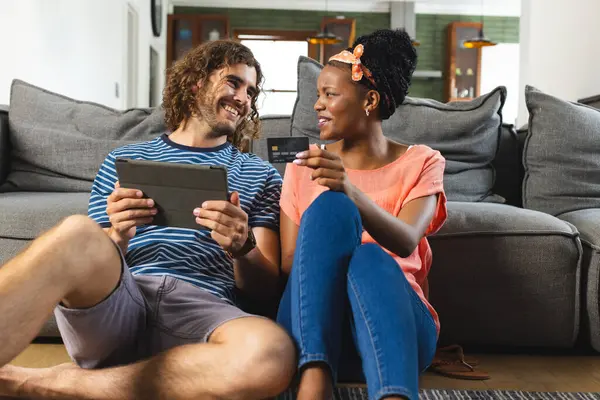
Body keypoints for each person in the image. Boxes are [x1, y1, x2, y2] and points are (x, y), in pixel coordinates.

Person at [0, 40, 295, 400]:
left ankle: (52, 383)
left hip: (205, 312)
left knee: (273, 352)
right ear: (195, 83)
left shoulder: (259, 174)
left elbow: (265, 292)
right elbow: (94, 262)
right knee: (77, 232)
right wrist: (118, 236)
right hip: (123, 300)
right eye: (233, 82)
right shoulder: (124, 160)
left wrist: (242, 246)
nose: (244, 98)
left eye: (251, 91)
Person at [276, 29, 448, 400]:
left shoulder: (423, 161)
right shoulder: (303, 164)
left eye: (330, 94)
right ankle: (315, 380)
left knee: (369, 254)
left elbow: (405, 241)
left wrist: (350, 190)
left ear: (369, 100)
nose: (317, 105)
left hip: (395, 331)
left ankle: (393, 393)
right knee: (330, 207)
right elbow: (291, 264)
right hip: (315, 329)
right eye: (318, 94)